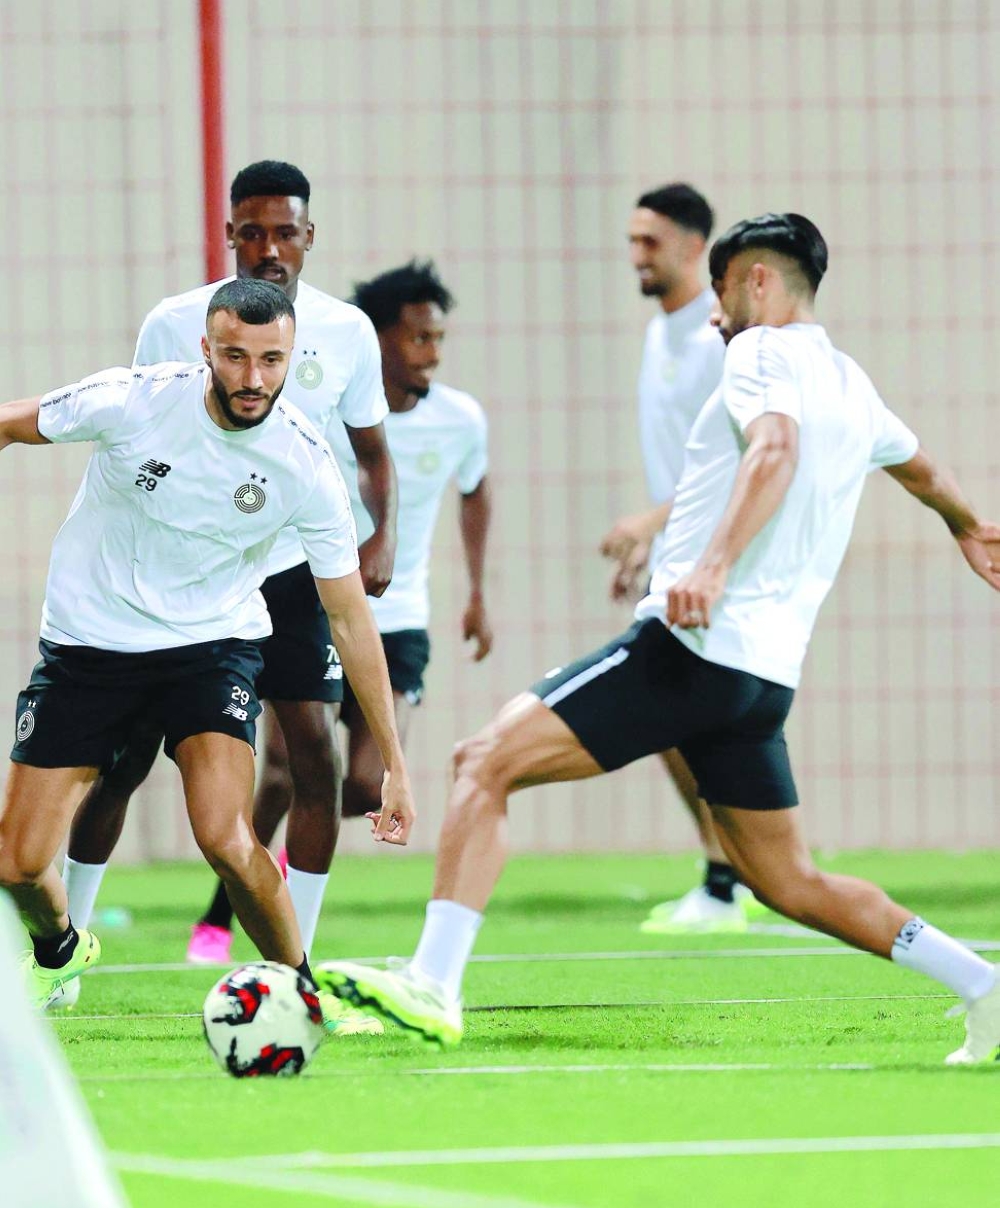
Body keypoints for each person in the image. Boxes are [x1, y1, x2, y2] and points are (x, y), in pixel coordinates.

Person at [316, 213, 1000, 1065]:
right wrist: (969, 524)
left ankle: (433, 982)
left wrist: (711, 567)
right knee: (788, 882)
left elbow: (775, 449)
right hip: (762, 680)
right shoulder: (853, 383)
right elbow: (924, 470)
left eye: (721, 295)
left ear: (756, 281)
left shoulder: (760, 353)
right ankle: (983, 984)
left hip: (692, 647)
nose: (714, 319)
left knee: (482, 761)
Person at [0, 279, 415, 1021]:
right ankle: (60, 948)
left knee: (226, 836)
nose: (252, 378)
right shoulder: (133, 399)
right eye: (234, 356)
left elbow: (349, 617)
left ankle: (303, 993)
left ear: (291, 357)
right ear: (206, 350)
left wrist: (395, 762)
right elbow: (9, 422)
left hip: (210, 646)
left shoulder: (305, 463)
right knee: (18, 864)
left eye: (270, 359)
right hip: (90, 645)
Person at [58, 161, 397, 989]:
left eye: (285, 231)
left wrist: (383, 537)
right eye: (253, 230)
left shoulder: (348, 331)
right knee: (125, 762)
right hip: (187, 580)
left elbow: (374, 453)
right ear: (229, 234)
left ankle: (293, 962)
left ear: (309, 237)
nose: (269, 246)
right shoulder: (173, 323)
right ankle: (63, 952)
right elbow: (135, 430)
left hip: (294, 567)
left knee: (312, 757)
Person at [600, 183, 757, 934]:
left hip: (718, 559)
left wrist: (652, 523)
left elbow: (733, 462)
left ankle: (731, 879)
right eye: (632, 241)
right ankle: (733, 874)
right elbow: (676, 466)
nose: (636, 255)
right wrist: (650, 541)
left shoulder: (716, 341)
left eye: (650, 242)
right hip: (676, 554)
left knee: (685, 715)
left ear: (696, 247)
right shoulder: (659, 333)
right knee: (681, 721)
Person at [332, 260, 492, 819]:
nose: (433, 352)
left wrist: (476, 592)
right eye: (420, 337)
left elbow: (475, 490)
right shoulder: (331, 411)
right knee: (286, 769)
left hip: (399, 619)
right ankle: (222, 905)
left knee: (364, 783)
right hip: (318, 614)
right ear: (377, 341)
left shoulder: (460, 418)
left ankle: (287, 860)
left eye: (439, 338)